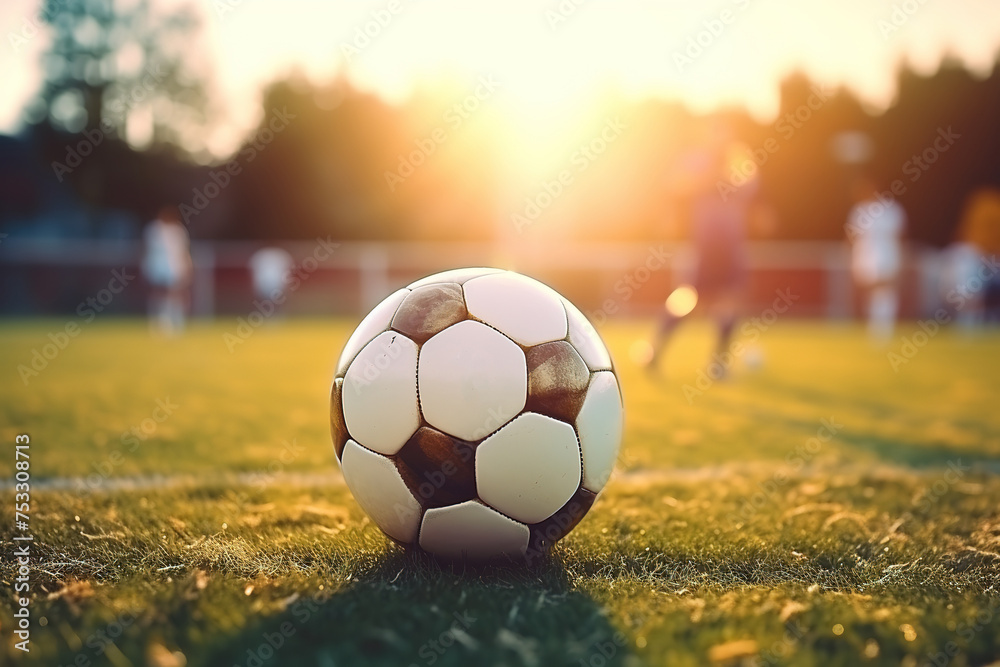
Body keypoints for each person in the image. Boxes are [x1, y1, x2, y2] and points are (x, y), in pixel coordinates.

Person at [645, 120, 760, 376]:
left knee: (731, 301)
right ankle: (656, 351)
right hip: (705, 245)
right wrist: (710, 176)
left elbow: (749, 187)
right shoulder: (695, 159)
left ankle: (719, 363)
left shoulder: (740, 158)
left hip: (732, 245)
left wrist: (725, 174)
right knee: (688, 298)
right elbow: (676, 185)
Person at [845, 178, 906, 344]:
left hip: (887, 257)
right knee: (873, 293)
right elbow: (852, 237)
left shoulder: (892, 210)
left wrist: (899, 259)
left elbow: (899, 236)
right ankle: (876, 329)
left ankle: (881, 331)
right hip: (866, 258)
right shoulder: (859, 210)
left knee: (884, 291)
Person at [141, 206, 192, 335]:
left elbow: (183, 251)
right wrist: (146, 266)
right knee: (158, 294)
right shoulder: (153, 230)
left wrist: (187, 266)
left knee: (175, 295)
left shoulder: (179, 231)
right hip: (157, 267)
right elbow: (146, 250)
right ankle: (158, 324)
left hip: (174, 268)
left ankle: (176, 322)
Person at [249, 246, 294, 311]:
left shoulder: (281, 254)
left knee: (275, 302)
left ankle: (275, 314)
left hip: (273, 282)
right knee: (268, 302)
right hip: (268, 282)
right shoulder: (281, 253)